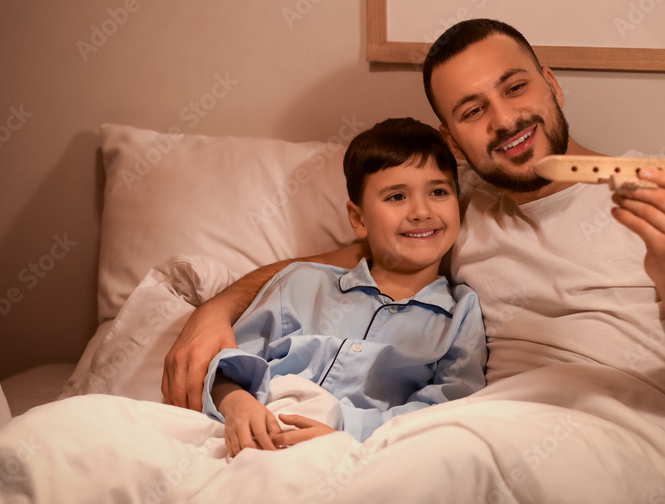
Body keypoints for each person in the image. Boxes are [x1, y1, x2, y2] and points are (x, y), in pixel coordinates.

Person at [163, 19, 665, 424]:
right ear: (452, 138)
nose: (503, 120)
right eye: (474, 111)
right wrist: (213, 311)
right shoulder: (457, 209)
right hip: (479, 429)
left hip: (630, 427)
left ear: (551, 84)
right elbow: (329, 265)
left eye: (516, 87)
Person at [204, 117, 487, 456]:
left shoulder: (459, 315)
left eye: (438, 192)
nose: (421, 211)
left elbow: (449, 408)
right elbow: (230, 363)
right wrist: (237, 404)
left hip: (357, 456)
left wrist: (344, 430)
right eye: (397, 196)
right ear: (358, 219)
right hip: (251, 437)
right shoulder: (301, 283)